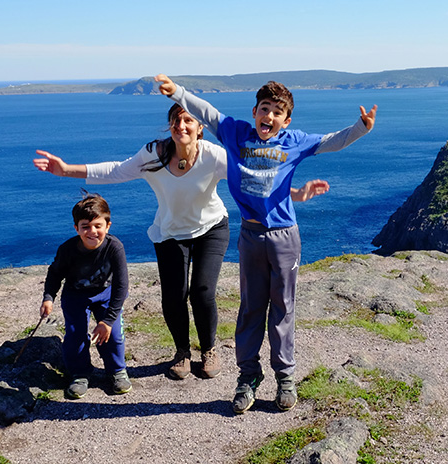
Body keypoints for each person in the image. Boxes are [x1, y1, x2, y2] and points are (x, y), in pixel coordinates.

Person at [34, 104, 329, 382]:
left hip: (212, 228)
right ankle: (182, 352)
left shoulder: (214, 155)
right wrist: (66, 169)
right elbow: (116, 170)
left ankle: (209, 349)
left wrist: (297, 194)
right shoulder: (154, 154)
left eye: (189, 120)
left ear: (200, 127)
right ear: (170, 127)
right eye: (176, 120)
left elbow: (254, 180)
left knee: (202, 290)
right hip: (170, 232)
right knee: (175, 295)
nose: (181, 125)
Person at [155, 73, 377, 413]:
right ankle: (247, 377)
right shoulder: (237, 133)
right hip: (250, 234)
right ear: (254, 111)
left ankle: (285, 378)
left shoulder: (294, 141)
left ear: (286, 121)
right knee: (251, 308)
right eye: (264, 109)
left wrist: (361, 128)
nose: (269, 117)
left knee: (283, 308)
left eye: (276, 112)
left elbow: (333, 140)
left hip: (285, 236)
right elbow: (208, 113)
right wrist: (178, 93)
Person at [39, 193, 131, 399]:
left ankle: (117, 371)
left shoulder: (115, 247)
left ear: (108, 226)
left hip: (106, 295)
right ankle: (80, 373)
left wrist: (107, 321)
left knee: (113, 334)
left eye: (98, 225)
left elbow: (121, 285)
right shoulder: (67, 249)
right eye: (85, 226)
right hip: (75, 295)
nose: (92, 231)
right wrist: (48, 297)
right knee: (75, 336)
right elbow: (54, 274)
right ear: (76, 228)